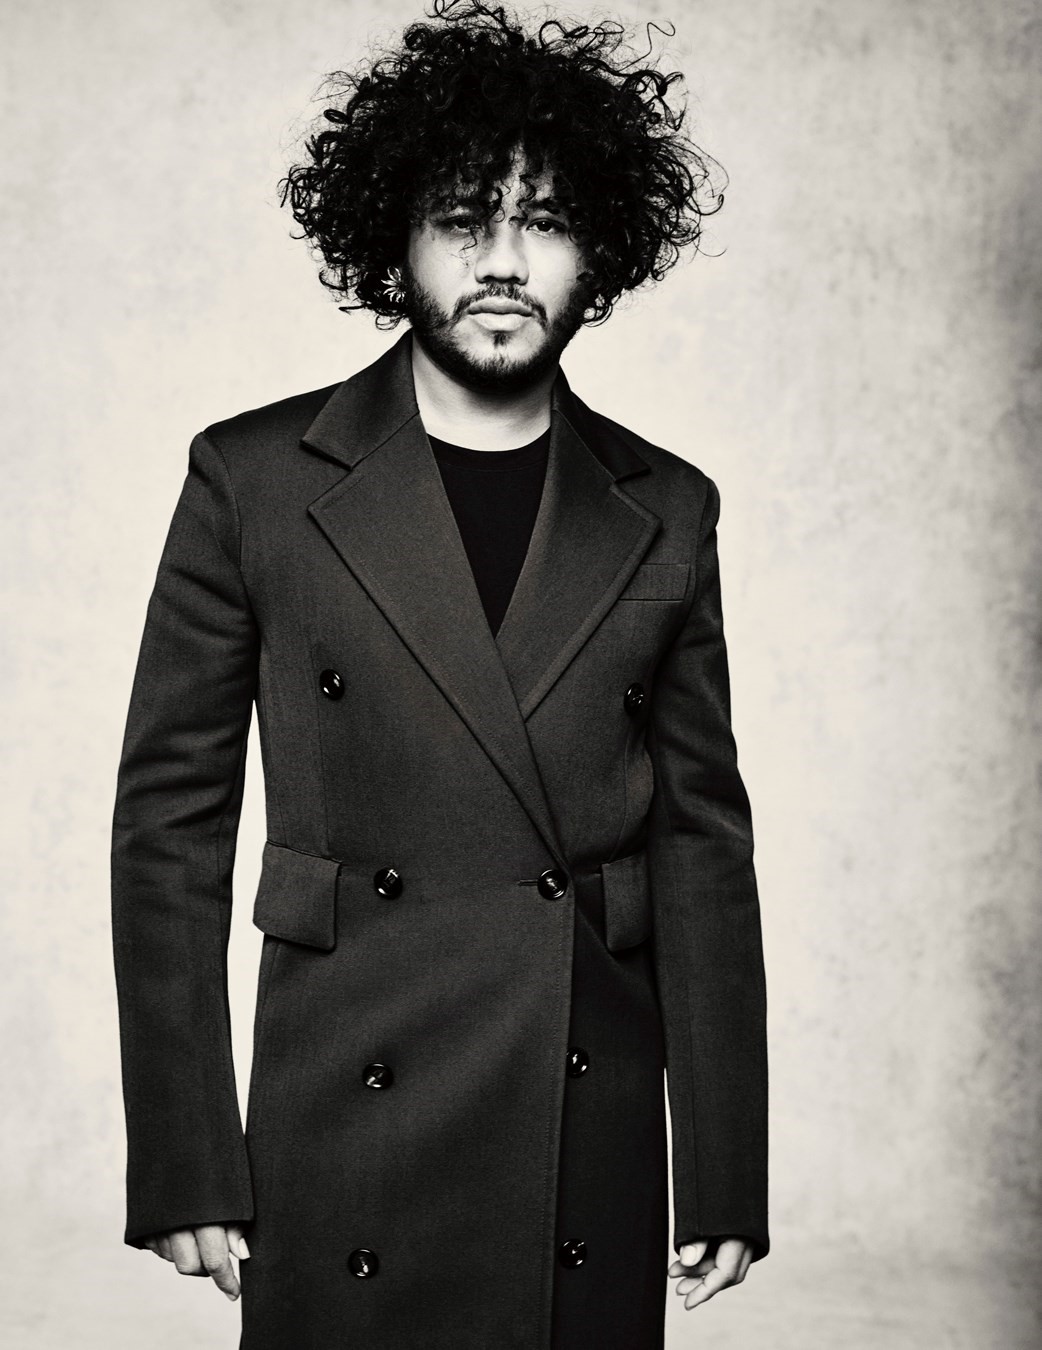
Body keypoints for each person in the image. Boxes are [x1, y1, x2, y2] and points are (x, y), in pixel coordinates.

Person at [109, 2, 769, 1345]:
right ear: (393, 239)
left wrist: (723, 1167)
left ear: (601, 248)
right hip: (338, 1108)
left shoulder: (667, 509)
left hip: (579, 1119)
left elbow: (701, 845)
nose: (503, 261)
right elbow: (168, 826)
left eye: (544, 222)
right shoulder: (252, 480)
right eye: (464, 219)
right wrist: (183, 1149)